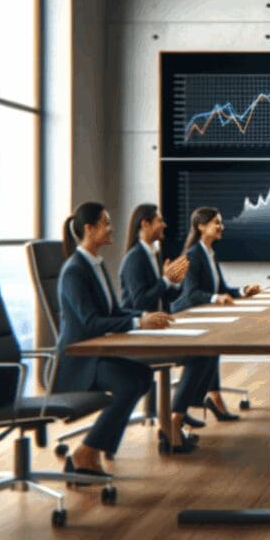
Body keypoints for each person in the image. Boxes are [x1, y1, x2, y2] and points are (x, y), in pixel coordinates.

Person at [53, 202, 174, 475]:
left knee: (143, 376)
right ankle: (85, 453)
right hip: (79, 361)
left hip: (96, 354)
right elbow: (91, 322)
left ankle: (95, 449)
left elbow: (114, 311)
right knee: (129, 383)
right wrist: (138, 322)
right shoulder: (74, 271)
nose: (111, 228)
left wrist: (145, 316)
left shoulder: (95, 264)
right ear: (89, 229)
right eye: (106, 223)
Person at [119, 203, 216, 450]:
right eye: (159, 221)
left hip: (156, 328)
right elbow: (140, 303)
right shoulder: (134, 259)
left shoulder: (152, 254)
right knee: (201, 353)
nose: (164, 225)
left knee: (208, 346)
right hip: (138, 334)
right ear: (145, 224)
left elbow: (162, 297)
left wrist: (173, 284)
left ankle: (177, 416)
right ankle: (174, 423)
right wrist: (165, 280)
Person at [172, 206, 262, 421]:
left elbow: (221, 289)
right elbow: (192, 294)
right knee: (209, 350)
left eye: (221, 222)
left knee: (213, 347)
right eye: (217, 223)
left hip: (203, 315)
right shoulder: (192, 255)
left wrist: (243, 291)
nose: (222, 227)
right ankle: (190, 406)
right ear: (201, 227)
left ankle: (212, 398)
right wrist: (215, 298)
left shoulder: (209, 254)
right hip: (187, 317)